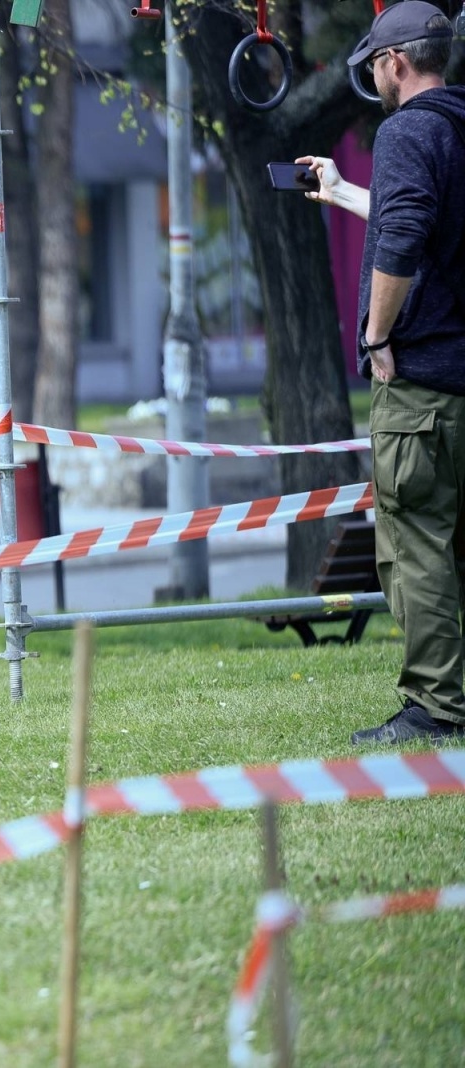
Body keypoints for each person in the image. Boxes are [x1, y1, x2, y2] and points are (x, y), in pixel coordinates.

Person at [296, 1, 465, 746]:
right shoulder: (457, 126)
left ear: (395, 62)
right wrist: (339, 191)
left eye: (375, 66)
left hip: (422, 382)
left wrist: (376, 335)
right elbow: (424, 222)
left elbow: (403, 235)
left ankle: (436, 706)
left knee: (418, 544)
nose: (374, 78)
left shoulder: (406, 131)